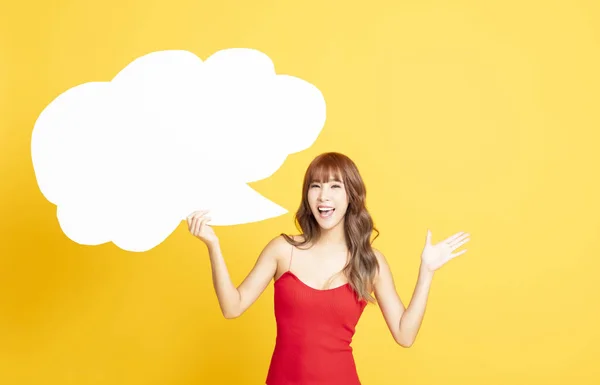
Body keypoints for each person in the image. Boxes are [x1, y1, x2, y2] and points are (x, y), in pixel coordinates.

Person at [186, 152, 470, 385]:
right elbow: (232, 307)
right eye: (316, 185)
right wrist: (213, 245)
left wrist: (427, 271)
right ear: (307, 195)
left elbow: (404, 335)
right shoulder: (283, 250)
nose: (323, 196)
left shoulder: (370, 262)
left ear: (351, 197)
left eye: (335, 186)